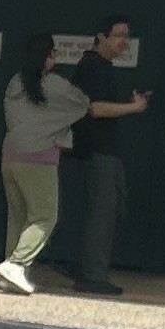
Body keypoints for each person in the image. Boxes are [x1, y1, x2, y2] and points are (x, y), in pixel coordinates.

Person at [63, 17, 152, 294]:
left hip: (100, 149)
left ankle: (90, 270)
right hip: (97, 150)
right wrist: (134, 108)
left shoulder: (100, 68)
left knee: (105, 210)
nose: (125, 41)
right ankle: (92, 275)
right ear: (101, 37)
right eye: (119, 35)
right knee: (102, 212)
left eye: (127, 36)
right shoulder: (93, 67)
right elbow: (95, 108)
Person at [0, 34, 87, 295]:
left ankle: (9, 272)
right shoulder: (54, 84)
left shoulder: (15, 82)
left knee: (18, 216)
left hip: (10, 156)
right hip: (39, 158)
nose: (56, 57)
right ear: (47, 56)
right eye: (53, 52)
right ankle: (16, 264)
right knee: (44, 216)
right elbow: (82, 104)